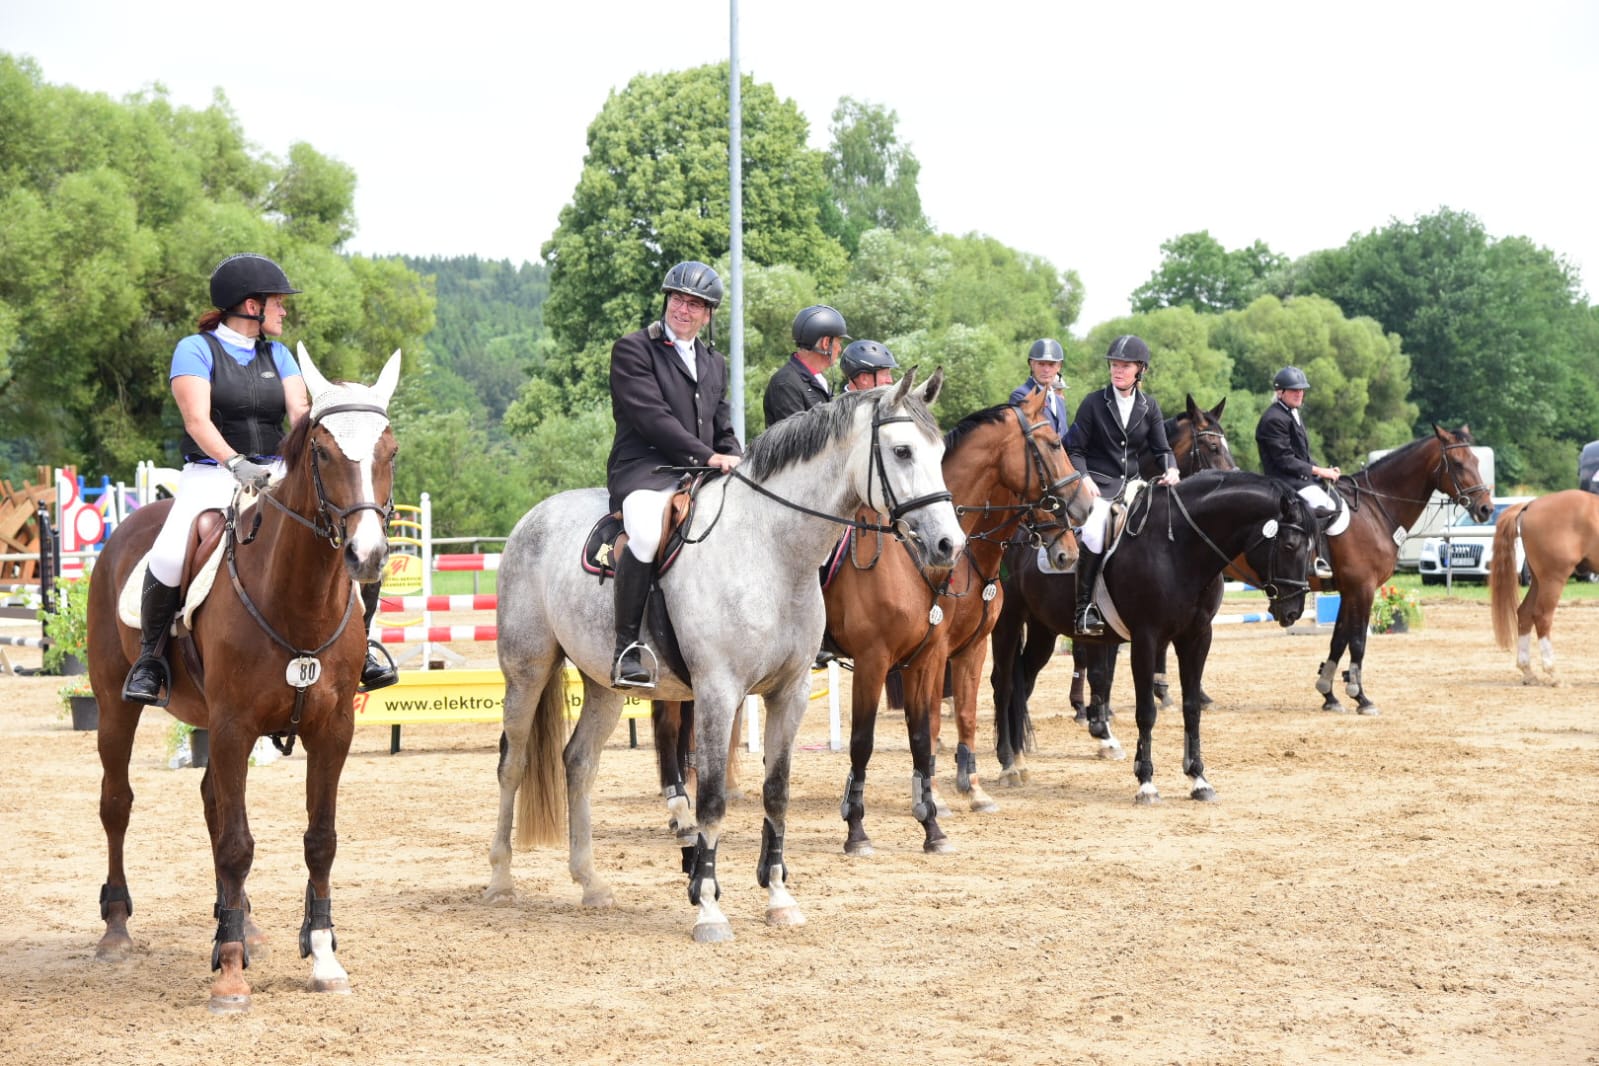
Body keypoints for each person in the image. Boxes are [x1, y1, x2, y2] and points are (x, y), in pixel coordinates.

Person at [121, 254, 397, 702]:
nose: (283, 310)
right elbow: (196, 421)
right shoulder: (195, 350)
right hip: (212, 474)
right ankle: (150, 658)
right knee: (170, 553)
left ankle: (361, 647)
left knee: (349, 536)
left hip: (276, 473)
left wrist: (344, 425)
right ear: (252, 306)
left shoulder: (279, 355)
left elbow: (300, 414)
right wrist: (235, 463)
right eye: (277, 302)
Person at [607, 261, 744, 687]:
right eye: (678, 300)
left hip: (698, 472)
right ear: (667, 300)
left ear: (708, 314)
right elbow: (653, 419)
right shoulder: (633, 349)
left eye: (694, 304)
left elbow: (723, 426)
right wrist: (709, 457)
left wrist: (737, 459)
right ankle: (627, 648)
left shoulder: (714, 361)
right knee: (648, 533)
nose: (683, 310)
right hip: (645, 470)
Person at [1065, 334, 1180, 636]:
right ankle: (1085, 608)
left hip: (1134, 486)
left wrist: (1172, 468)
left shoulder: (1149, 406)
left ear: (1140, 369)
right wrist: (1085, 478)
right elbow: (1074, 449)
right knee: (1094, 530)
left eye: (1124, 366)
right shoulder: (1093, 403)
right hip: (1098, 485)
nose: (1117, 370)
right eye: (1114, 365)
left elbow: (1162, 449)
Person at [1255, 365, 1340, 578]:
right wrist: (1319, 471)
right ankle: (1312, 559)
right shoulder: (1274, 419)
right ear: (1280, 392)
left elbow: (1302, 456)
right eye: (1294, 390)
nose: (1299, 393)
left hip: (1298, 478)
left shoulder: (1292, 414)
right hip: (1283, 482)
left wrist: (1324, 471)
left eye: (1302, 389)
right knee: (1326, 506)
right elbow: (1285, 460)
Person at [763, 304, 848, 427]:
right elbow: (795, 435)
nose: (840, 349)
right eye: (838, 342)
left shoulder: (818, 379)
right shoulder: (786, 383)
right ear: (825, 343)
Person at [1009, 338, 1070, 439]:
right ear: (1032, 364)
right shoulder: (1020, 395)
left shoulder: (1059, 401)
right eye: (1041, 364)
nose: (1046, 370)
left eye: (1051, 364)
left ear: (1059, 366)